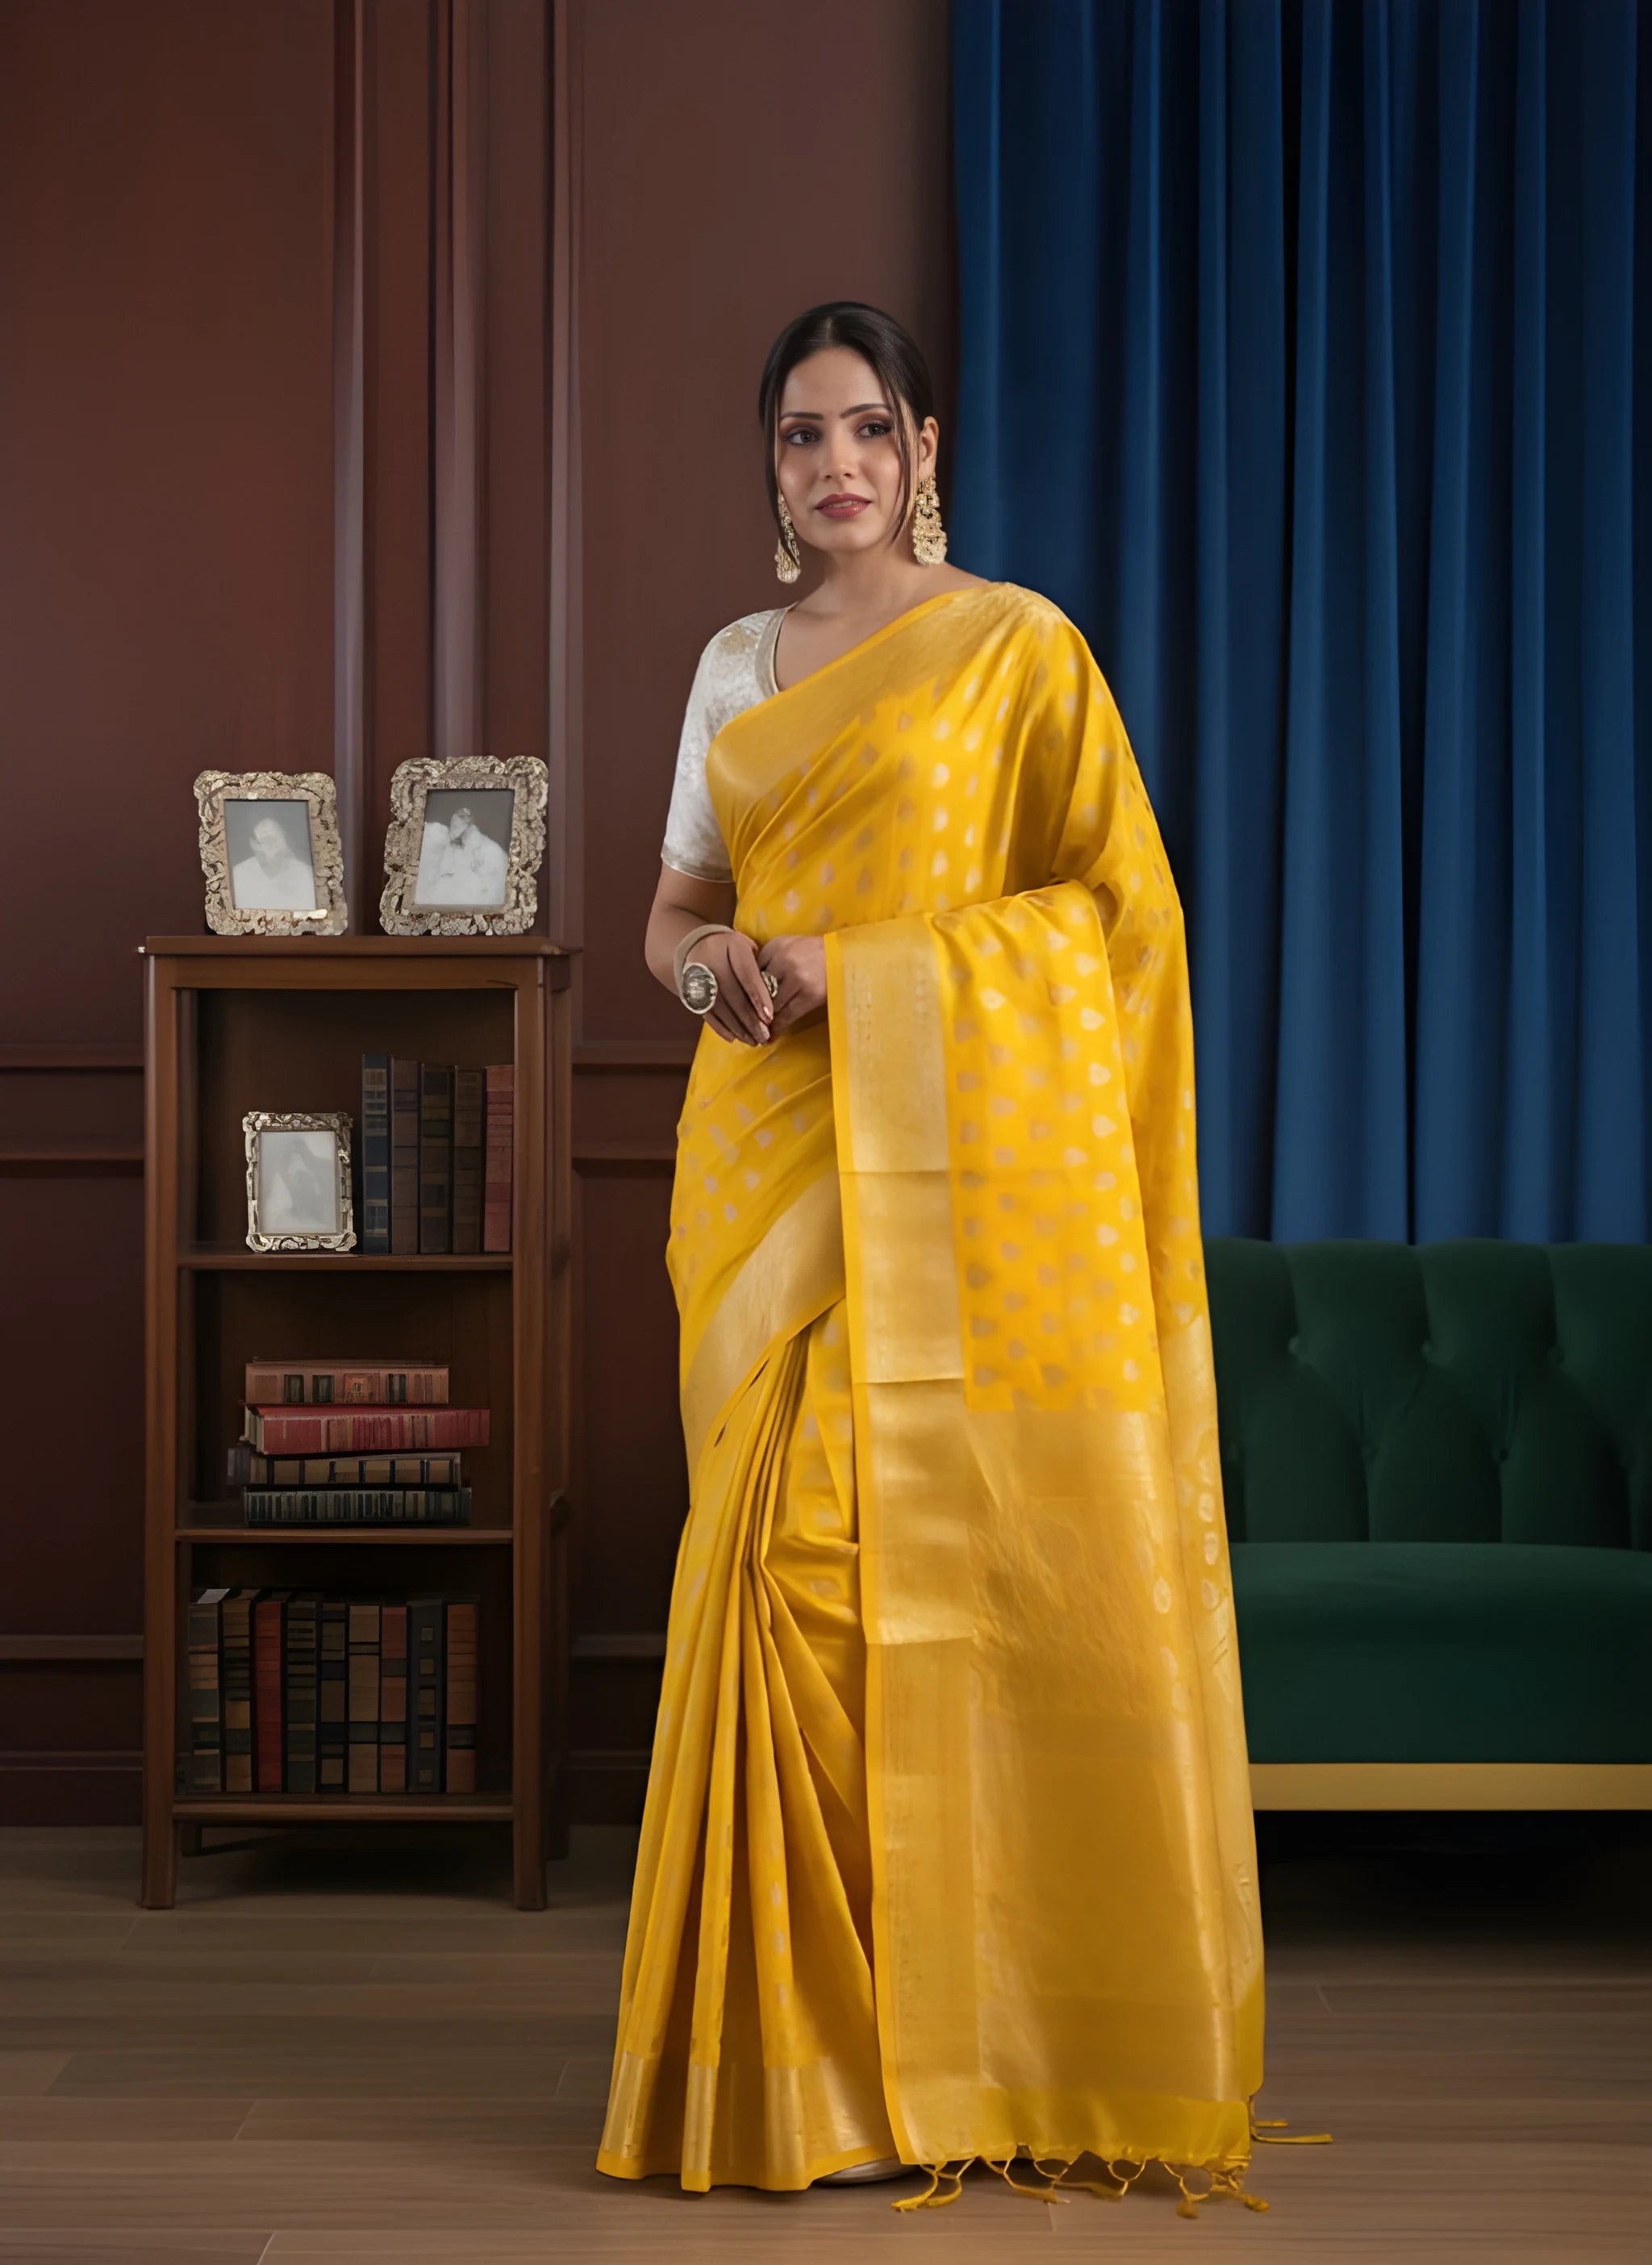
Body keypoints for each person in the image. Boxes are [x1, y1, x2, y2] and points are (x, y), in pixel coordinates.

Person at [598, 303, 1268, 2214]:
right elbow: (670, 909)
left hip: (963, 1182)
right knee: (773, 1593)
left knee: (934, 1600)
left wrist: (869, 974)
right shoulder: (738, 664)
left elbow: (1109, 920)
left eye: (864, 434)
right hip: (766, 1162)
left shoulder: (1014, 651)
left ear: (920, 448)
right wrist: (711, 969)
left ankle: (983, 2048)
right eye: (800, 439)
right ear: (772, 471)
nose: (833, 470)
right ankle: (789, 2082)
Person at [416, 804, 509, 906]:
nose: (454, 828)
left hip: (471, 876)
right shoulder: (448, 840)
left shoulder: (477, 841)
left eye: (457, 825)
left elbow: (475, 860)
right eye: (454, 824)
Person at [231, 809, 318, 911]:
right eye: (266, 842)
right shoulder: (238, 875)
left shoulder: (307, 876)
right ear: (253, 844)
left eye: (276, 841)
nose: (274, 849)